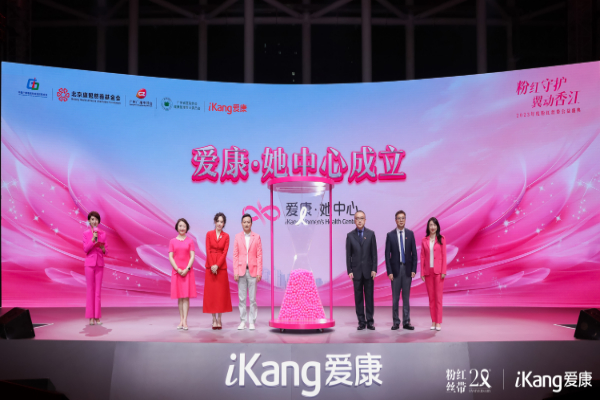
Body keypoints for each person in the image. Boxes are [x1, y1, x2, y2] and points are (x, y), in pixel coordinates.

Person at [385, 210, 418, 331]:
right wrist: (389, 271)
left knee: (406, 298)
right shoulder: (390, 235)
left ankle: (406, 321)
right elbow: (387, 255)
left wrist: (414, 269)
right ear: (395, 220)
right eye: (399, 218)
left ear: (405, 219)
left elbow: (414, 254)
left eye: (403, 218)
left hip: (407, 270)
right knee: (395, 298)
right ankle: (396, 322)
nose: (401, 220)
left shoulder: (410, 234)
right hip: (395, 270)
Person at [346, 210, 378, 330]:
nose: (359, 220)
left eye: (361, 218)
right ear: (354, 220)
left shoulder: (371, 234)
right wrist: (350, 270)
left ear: (365, 220)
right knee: (358, 298)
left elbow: (374, 254)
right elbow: (348, 255)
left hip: (369, 271)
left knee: (369, 297)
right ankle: (361, 321)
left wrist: (374, 269)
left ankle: (370, 321)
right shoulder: (350, 236)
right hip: (356, 272)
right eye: (357, 218)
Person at [233, 213, 262, 330]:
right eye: (244, 222)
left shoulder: (257, 237)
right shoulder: (237, 237)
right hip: (241, 271)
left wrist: (259, 272)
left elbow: (259, 256)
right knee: (242, 299)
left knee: (253, 299)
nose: (246, 224)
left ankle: (252, 322)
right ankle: (243, 321)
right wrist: (235, 271)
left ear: (251, 223)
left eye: (248, 222)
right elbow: (235, 255)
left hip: (253, 271)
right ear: (241, 223)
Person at [203, 212, 232, 330]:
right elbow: (208, 249)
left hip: (221, 268)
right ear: (215, 222)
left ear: (224, 224)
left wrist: (217, 266)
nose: (219, 223)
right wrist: (212, 266)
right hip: (210, 267)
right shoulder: (209, 234)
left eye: (222, 222)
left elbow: (225, 252)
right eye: (218, 221)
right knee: (212, 294)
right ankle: (213, 319)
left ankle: (219, 318)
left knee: (220, 294)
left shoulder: (226, 236)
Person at [169, 218, 197, 330]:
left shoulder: (190, 241)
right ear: (177, 227)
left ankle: (185, 321)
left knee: (186, 297)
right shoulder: (172, 241)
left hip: (187, 272)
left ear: (187, 228)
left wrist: (187, 269)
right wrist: (177, 269)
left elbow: (192, 256)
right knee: (180, 297)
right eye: (180, 226)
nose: (182, 228)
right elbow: (171, 257)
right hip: (177, 272)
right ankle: (181, 320)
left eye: (184, 226)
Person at [421, 217, 447, 331]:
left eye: (434, 225)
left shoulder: (442, 239)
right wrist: (422, 272)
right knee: (431, 298)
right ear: (428, 227)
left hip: (438, 272)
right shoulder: (424, 240)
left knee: (438, 298)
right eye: (431, 225)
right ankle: (433, 321)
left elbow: (444, 256)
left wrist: (443, 271)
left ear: (437, 226)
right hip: (428, 272)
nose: (432, 227)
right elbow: (422, 257)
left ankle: (439, 322)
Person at [82, 211, 107, 325]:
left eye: (96, 219)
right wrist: (93, 239)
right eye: (92, 219)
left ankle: (97, 317)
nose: (94, 221)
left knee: (98, 292)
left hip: (99, 264)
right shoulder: (86, 234)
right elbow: (86, 249)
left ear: (98, 221)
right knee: (90, 290)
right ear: (89, 221)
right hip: (89, 264)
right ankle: (91, 317)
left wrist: (103, 248)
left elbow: (106, 251)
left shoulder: (103, 234)